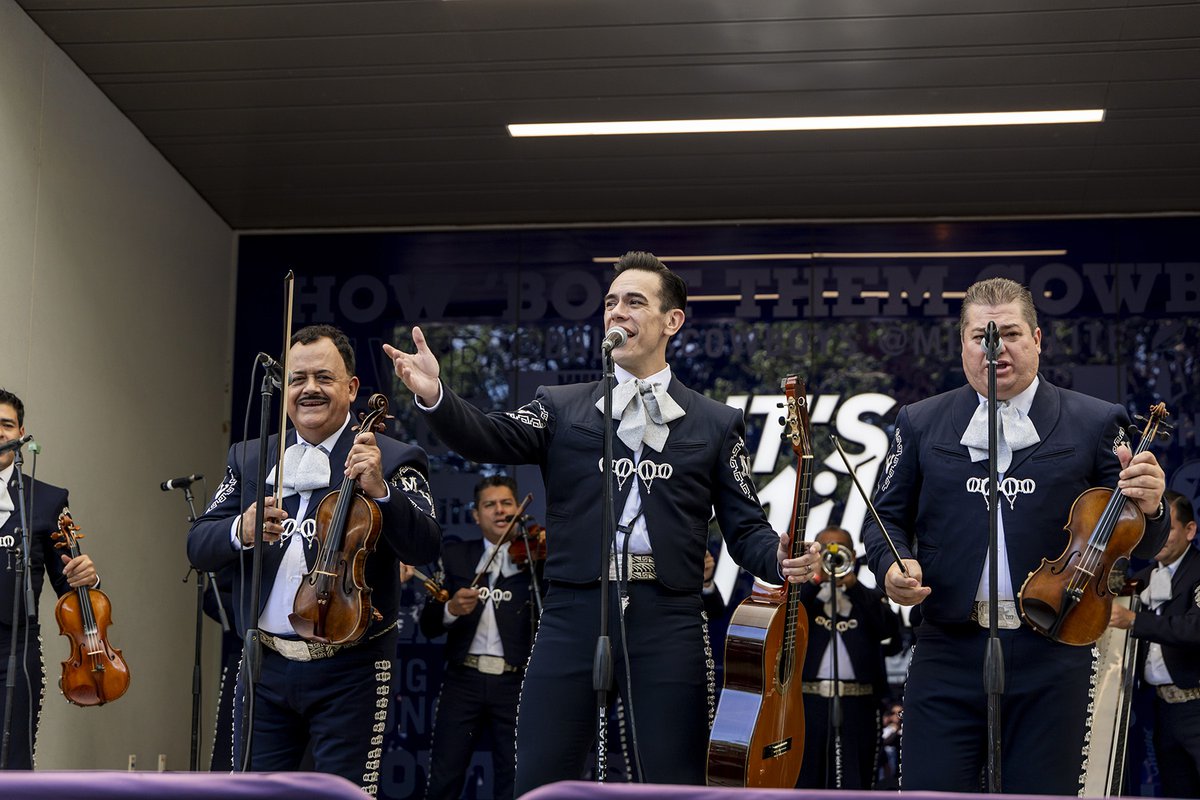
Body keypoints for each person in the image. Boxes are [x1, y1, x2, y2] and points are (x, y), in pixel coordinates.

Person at [384, 251, 818, 794]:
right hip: (572, 610)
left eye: (635, 302)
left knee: (675, 781)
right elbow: (487, 436)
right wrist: (435, 394)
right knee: (541, 778)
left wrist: (778, 558)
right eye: (611, 302)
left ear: (672, 321)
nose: (617, 312)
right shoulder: (561, 406)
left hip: (668, 616)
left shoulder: (714, 422)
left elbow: (746, 527)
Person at [862, 277, 1169, 794]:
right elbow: (881, 519)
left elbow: (1141, 538)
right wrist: (892, 566)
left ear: (1037, 339)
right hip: (947, 647)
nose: (995, 348)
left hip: (1054, 645)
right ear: (961, 343)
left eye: (1009, 333)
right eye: (981, 336)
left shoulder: (1096, 421)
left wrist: (1154, 507)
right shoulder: (919, 422)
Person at [187, 325, 441, 793]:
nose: (309, 389)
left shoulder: (394, 456)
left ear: (351, 388)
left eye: (324, 377)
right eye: (298, 377)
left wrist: (382, 492)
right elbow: (197, 542)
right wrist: (237, 531)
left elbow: (426, 544)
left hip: (352, 667)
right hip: (264, 664)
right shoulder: (250, 458)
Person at [421, 475, 539, 800]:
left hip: (516, 682)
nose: (500, 511)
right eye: (490, 505)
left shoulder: (536, 557)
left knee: (514, 780)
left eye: (506, 504)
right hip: (464, 680)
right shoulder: (457, 555)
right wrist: (451, 610)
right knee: (445, 776)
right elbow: (427, 624)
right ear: (476, 515)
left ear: (519, 509)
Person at [0, 388, 99, 769]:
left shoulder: (47, 499)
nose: (0, 433)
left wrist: (87, 577)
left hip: (13, 651)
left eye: (6, 425)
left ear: (22, 432)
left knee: (12, 764)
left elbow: (69, 587)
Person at [1109, 489, 1200, 797]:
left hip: (1197, 705)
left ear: (1190, 531)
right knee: (1177, 790)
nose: (1159, 537)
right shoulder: (1142, 578)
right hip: (1163, 708)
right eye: (1154, 530)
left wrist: (1134, 621)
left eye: (1169, 529)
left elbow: (1194, 629)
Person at [795, 526, 900, 790]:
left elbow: (890, 631)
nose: (833, 557)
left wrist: (853, 585)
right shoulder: (803, 597)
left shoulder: (867, 597)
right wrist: (815, 576)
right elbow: (788, 623)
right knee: (805, 776)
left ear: (852, 555)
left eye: (840, 550)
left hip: (859, 704)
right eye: (825, 550)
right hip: (807, 703)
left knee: (857, 778)